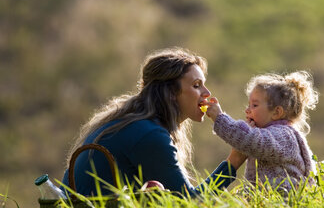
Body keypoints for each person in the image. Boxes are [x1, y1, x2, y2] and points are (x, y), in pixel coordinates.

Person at [61, 47, 246, 197]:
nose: (207, 93)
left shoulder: (130, 123)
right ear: (171, 93)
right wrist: (234, 160)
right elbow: (191, 204)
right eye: (196, 85)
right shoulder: (149, 135)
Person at [203, 71, 319, 193]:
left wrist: (220, 118)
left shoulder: (284, 135)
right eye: (249, 105)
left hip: (283, 204)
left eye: (254, 105)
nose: (247, 110)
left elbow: (250, 139)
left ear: (276, 113)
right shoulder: (272, 133)